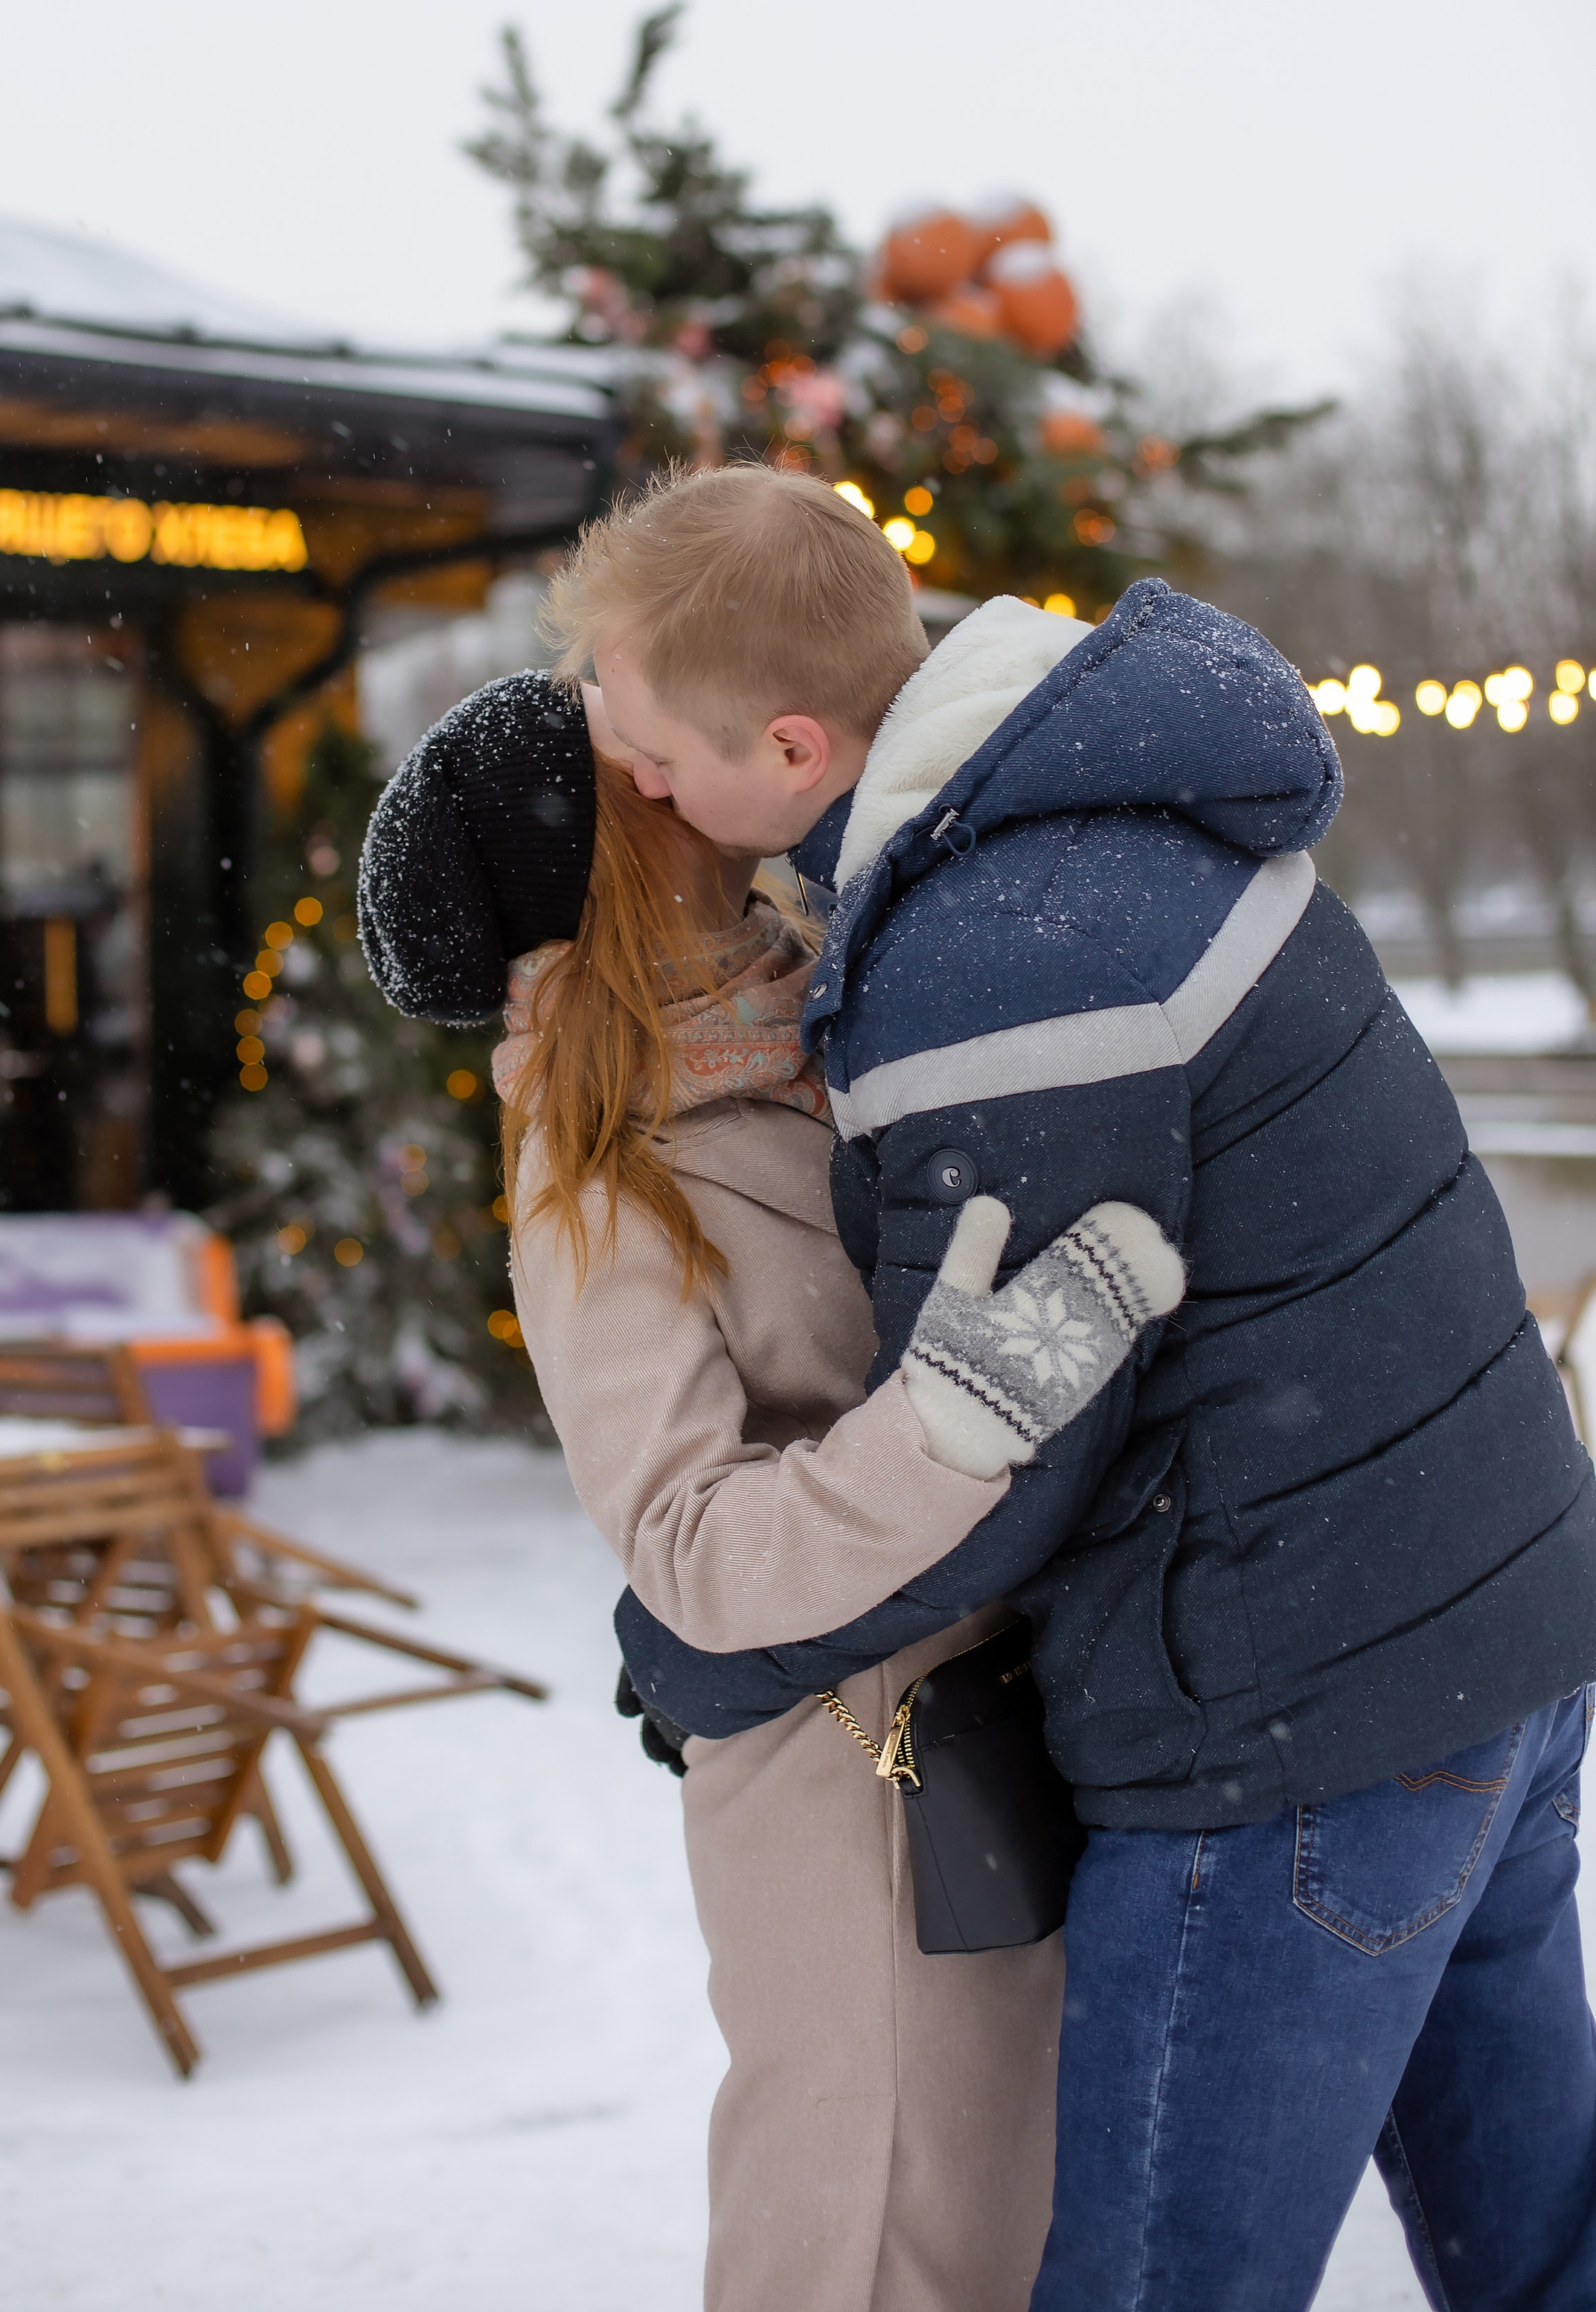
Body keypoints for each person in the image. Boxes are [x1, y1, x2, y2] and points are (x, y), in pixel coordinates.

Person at [545, 462, 1596, 2312]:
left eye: (648, 747)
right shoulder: (1082, 825)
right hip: (1486, 1652)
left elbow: (1017, 1413)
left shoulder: (992, 972)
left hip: (1296, 1734)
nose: (635, 780)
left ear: (791, 747)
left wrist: (718, 1654)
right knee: (1535, 2252)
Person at [356, 670, 1175, 2312]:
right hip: (849, 1778)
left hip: (998, 1712)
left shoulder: (828, 993)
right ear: (604, 844)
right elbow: (690, 1547)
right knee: (875, 2236)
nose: (667, 758)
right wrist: (972, 1402)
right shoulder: (598, 1160)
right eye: (625, 759)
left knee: (1004, 2218)